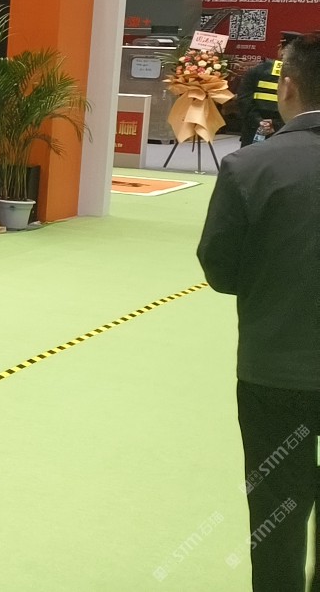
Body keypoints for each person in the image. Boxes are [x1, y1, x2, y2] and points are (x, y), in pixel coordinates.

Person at [198, 30, 320, 592]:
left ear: (286, 87)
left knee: (277, 508)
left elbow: (220, 270)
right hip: (277, 369)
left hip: (275, 371)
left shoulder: (249, 168)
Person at [234, 32, 299, 147]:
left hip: (254, 131)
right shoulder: (304, 77)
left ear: (280, 49)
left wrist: (259, 121)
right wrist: (276, 124)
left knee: (251, 157)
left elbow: (243, 99)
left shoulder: (256, 71)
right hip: (287, 133)